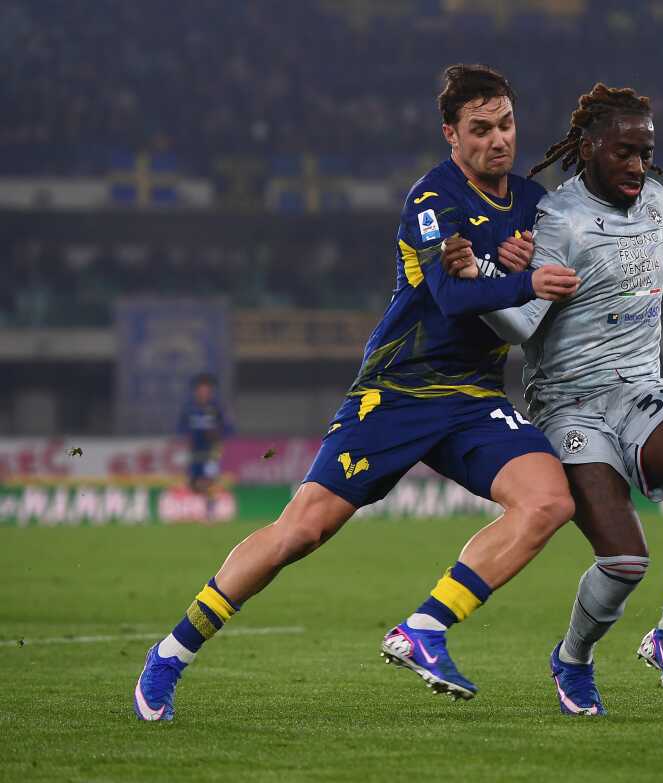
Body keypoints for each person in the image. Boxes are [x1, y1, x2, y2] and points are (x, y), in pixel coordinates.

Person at [133, 64, 583, 721]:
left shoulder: (531, 207)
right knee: (302, 529)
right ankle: (170, 654)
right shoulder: (433, 201)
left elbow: (546, 288)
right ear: (451, 135)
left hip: (472, 397)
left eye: (506, 125)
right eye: (480, 129)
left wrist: (538, 270)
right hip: (397, 391)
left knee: (548, 500)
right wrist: (524, 279)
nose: (498, 140)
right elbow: (454, 297)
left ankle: (425, 627)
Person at [446, 84, 663, 714]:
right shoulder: (559, 221)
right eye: (625, 152)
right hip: (569, 405)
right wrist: (479, 281)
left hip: (639, 388)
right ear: (591, 147)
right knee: (626, 561)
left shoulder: (657, 199)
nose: (637, 165)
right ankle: (572, 659)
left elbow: (658, 258)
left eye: (645, 152)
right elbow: (522, 328)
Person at [177, 373, 233, 521]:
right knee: (193, 483)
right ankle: (205, 504)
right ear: (197, 392)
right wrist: (185, 438)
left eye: (206, 390)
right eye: (201, 390)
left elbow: (227, 427)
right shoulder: (189, 408)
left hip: (211, 450)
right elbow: (181, 427)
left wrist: (218, 435)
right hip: (195, 450)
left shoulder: (216, 408)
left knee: (209, 479)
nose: (204, 393)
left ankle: (210, 512)